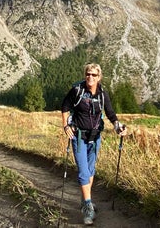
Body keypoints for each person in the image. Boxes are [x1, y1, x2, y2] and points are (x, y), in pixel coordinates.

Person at [61, 63, 127, 225]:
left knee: (90, 170)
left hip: (96, 137)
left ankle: (85, 201)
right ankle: (88, 206)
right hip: (79, 137)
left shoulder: (103, 94)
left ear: (99, 77)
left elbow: (110, 113)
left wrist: (118, 127)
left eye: (94, 75)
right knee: (84, 171)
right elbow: (65, 107)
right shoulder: (77, 90)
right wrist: (66, 126)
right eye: (88, 74)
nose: (90, 77)